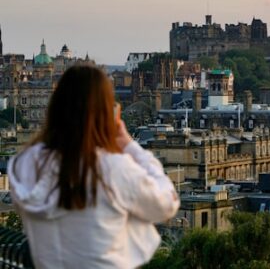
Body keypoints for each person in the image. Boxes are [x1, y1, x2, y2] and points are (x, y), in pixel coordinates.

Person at [7, 64, 180, 268]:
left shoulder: (25, 163)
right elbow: (166, 204)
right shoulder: (113, 167)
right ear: (107, 112)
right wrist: (128, 144)